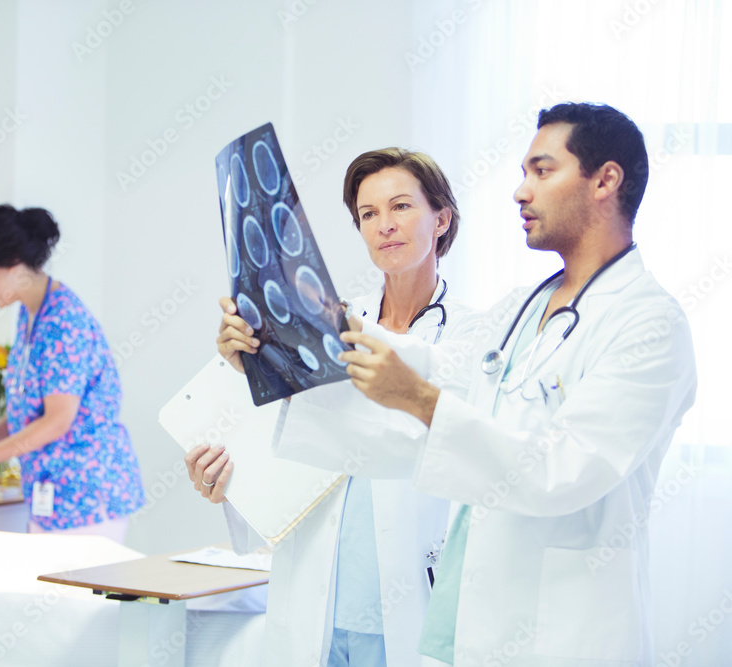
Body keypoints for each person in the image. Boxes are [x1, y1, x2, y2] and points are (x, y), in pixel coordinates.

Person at [295, 103, 697, 665]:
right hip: (481, 616)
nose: (520, 191)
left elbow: (564, 470)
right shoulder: (521, 308)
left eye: (542, 171)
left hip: (566, 629)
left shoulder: (649, 323)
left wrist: (419, 399)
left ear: (605, 180)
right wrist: (309, 332)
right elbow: (439, 373)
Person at [186, 148, 480, 666]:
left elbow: (439, 444)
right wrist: (228, 467)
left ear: (441, 219)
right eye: (368, 214)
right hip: (317, 594)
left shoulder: (474, 335)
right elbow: (290, 439)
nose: (384, 225)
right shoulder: (318, 324)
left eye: (401, 206)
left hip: (409, 596)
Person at [0, 204, 145, 543]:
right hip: (50, 494)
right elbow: (31, 407)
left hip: (88, 494)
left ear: (11, 260)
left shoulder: (64, 321)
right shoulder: (30, 314)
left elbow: (57, 421)